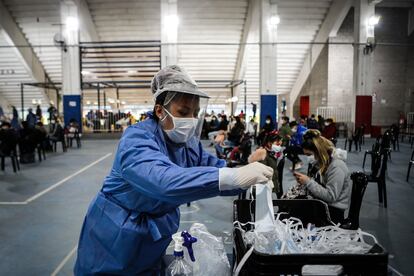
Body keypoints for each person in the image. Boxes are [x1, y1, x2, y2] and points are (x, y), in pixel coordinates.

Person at [74, 65, 273, 275]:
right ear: (160, 110)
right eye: (183, 112)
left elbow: (218, 170)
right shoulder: (136, 139)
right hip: (114, 238)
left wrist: (246, 169)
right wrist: (234, 176)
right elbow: (163, 181)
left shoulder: (188, 145)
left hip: (152, 240)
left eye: (195, 113)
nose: (191, 120)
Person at [293, 130, 351, 224]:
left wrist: (308, 182)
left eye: (309, 155)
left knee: (295, 214)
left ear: (319, 152)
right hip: (325, 205)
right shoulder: (324, 164)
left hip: (333, 212)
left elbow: (331, 196)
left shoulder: (337, 166)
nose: (308, 158)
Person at [248, 131, 284, 198]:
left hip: (272, 183)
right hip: (262, 186)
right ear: (269, 143)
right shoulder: (262, 153)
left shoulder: (275, 153)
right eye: (277, 144)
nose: (279, 146)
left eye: (280, 144)